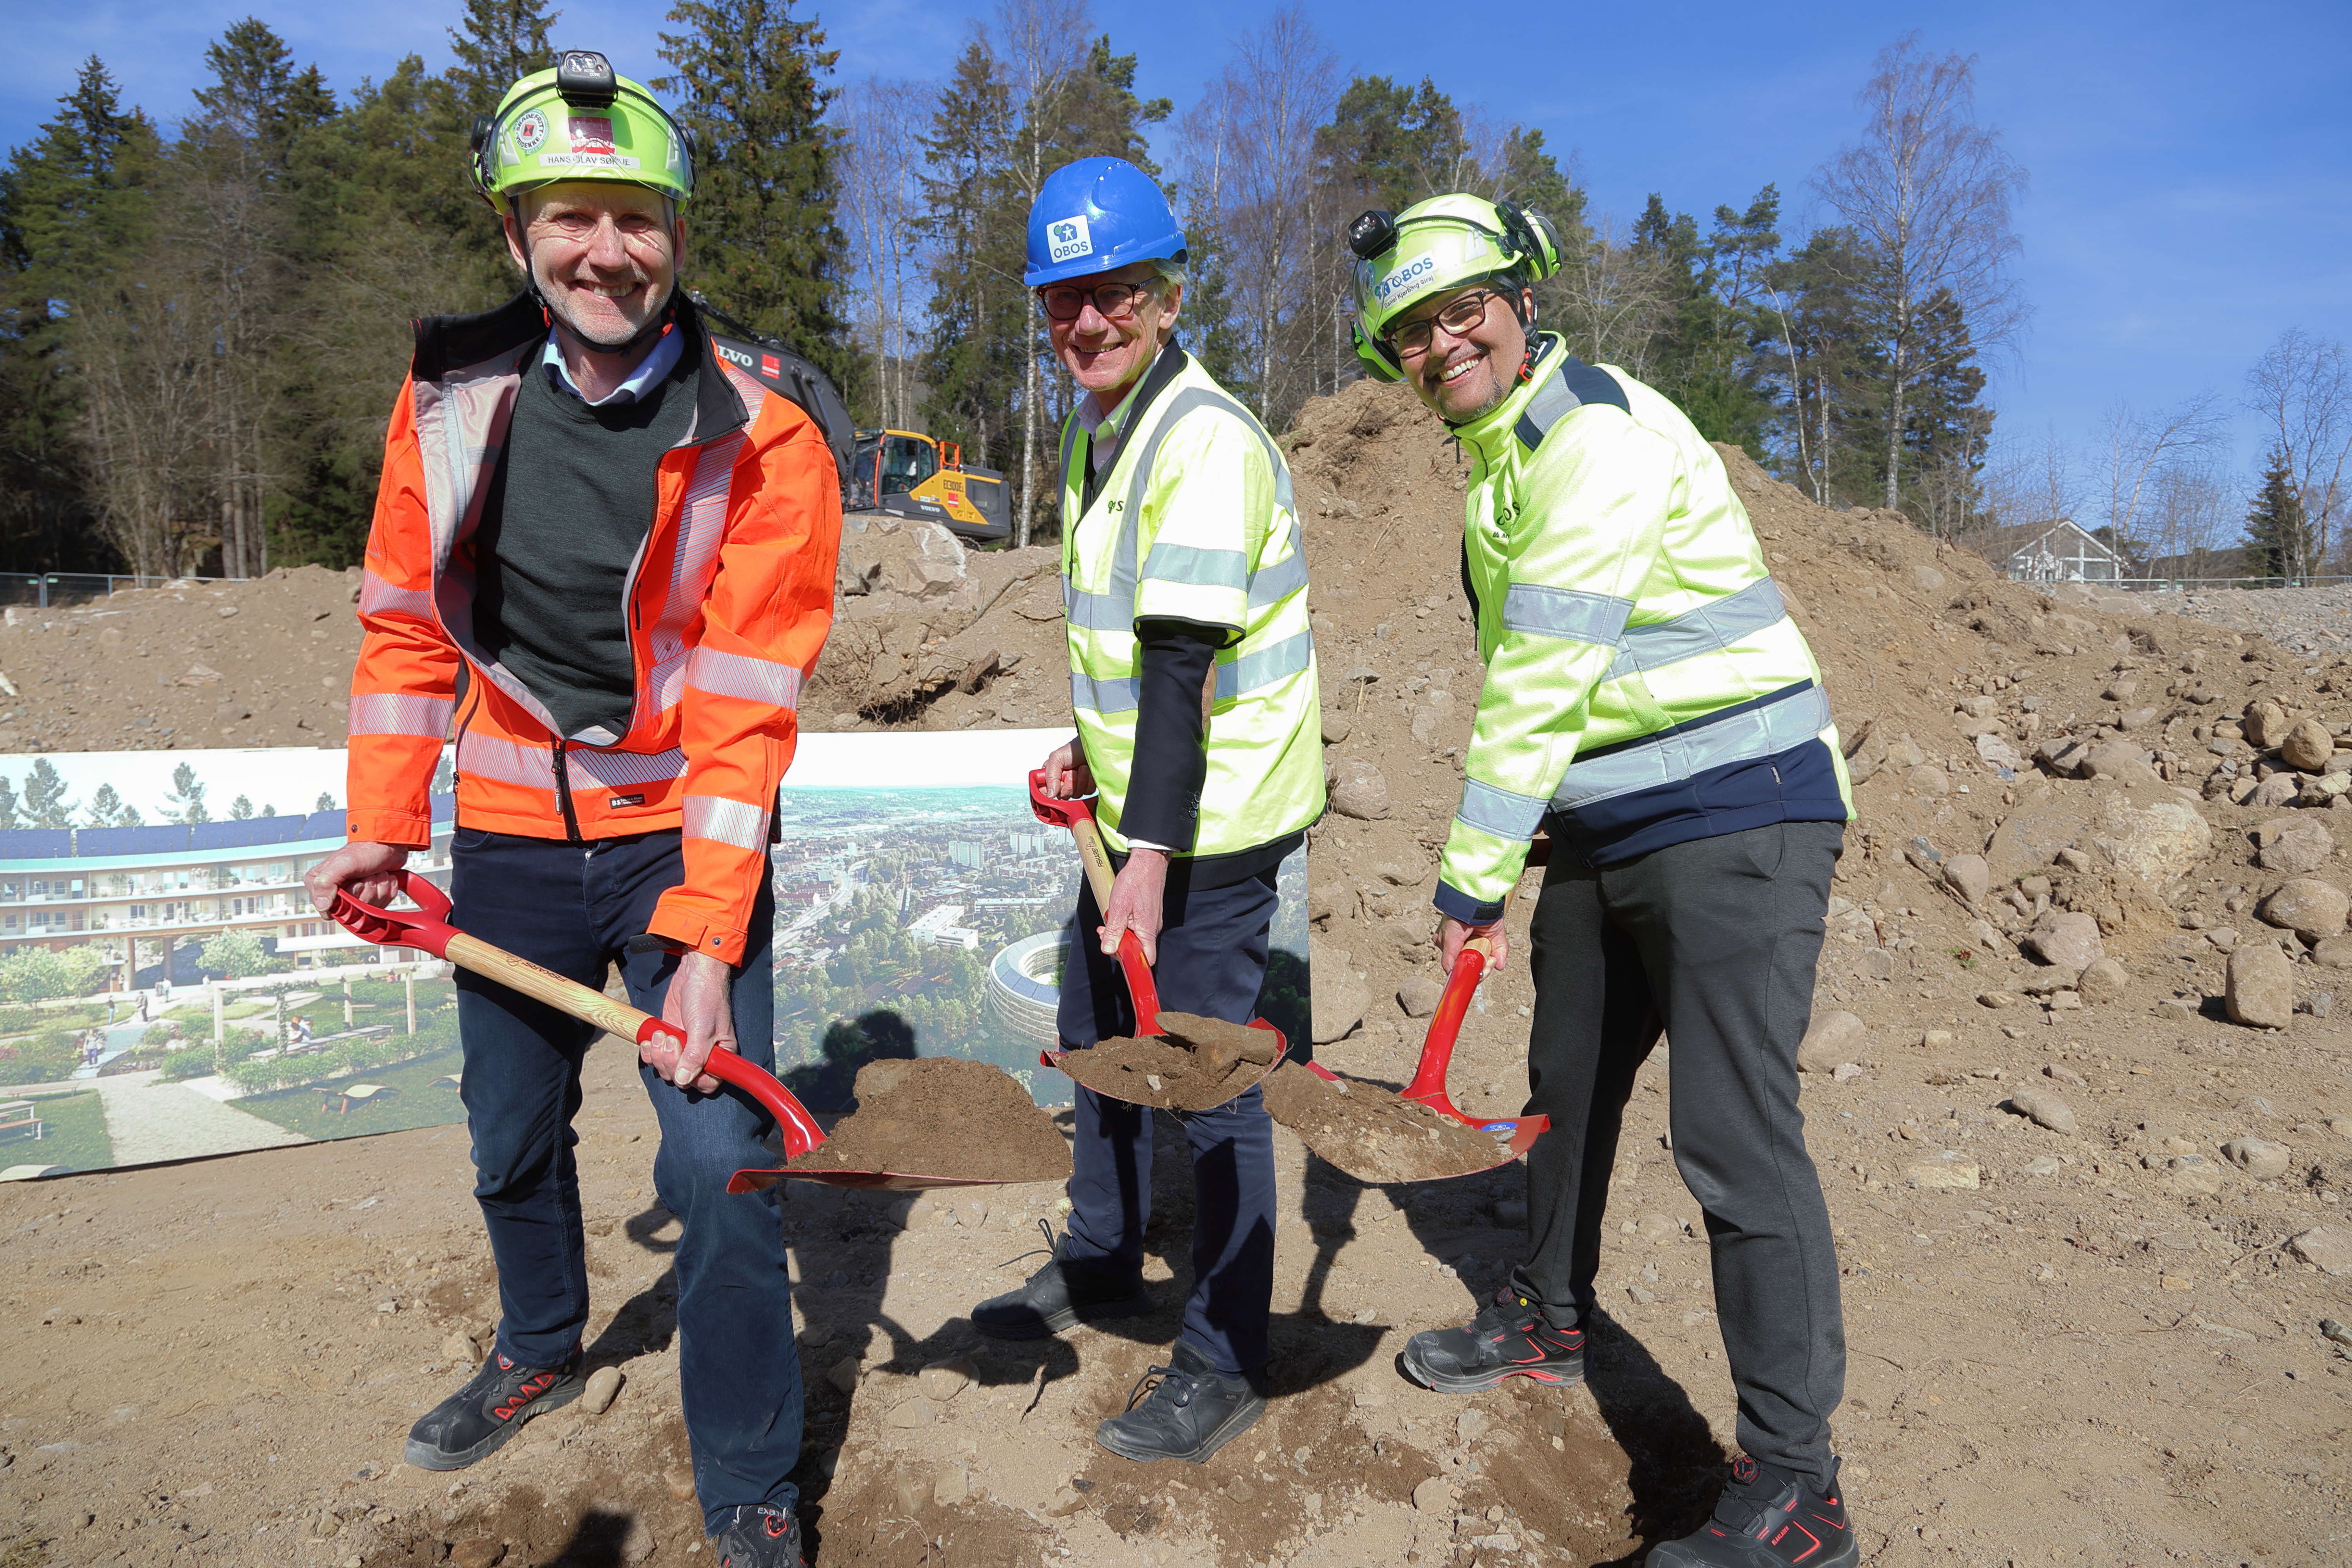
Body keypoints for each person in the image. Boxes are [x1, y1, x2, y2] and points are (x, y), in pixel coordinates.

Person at [302, 51, 838, 1568]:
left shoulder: (767, 429)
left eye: (635, 217)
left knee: (719, 1171)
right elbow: (407, 622)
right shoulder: (453, 396)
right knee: (507, 1135)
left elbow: (748, 703)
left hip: (684, 834)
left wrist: (710, 942)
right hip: (515, 843)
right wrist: (387, 826)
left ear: (677, 232)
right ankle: (539, 1340)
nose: (605, 248)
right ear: (516, 233)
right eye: (568, 217)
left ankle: (749, 1473)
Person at [1346, 194, 1860, 1568]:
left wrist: (1471, 868)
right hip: (1607, 821)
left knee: (1734, 1141)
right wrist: (1531, 836)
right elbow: (1561, 689)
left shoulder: (1596, 436)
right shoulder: (1500, 461)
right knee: (1560, 1088)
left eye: (1463, 310)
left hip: (1739, 811)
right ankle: (1545, 1314)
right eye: (1411, 328)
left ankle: (1799, 1491)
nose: (1440, 342)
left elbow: (1546, 667)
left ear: (1523, 298)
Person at [967, 157, 1323, 1465]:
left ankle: (1227, 1355)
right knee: (1093, 1024)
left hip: (1215, 826)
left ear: (1169, 298)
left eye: (1116, 294)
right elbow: (1130, 651)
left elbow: (1184, 668)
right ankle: (1109, 1254)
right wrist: (1087, 754)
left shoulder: (1207, 441)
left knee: (1209, 1079)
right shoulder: (1099, 428)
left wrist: (1153, 858)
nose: (1089, 322)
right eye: (1064, 300)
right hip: (1133, 804)